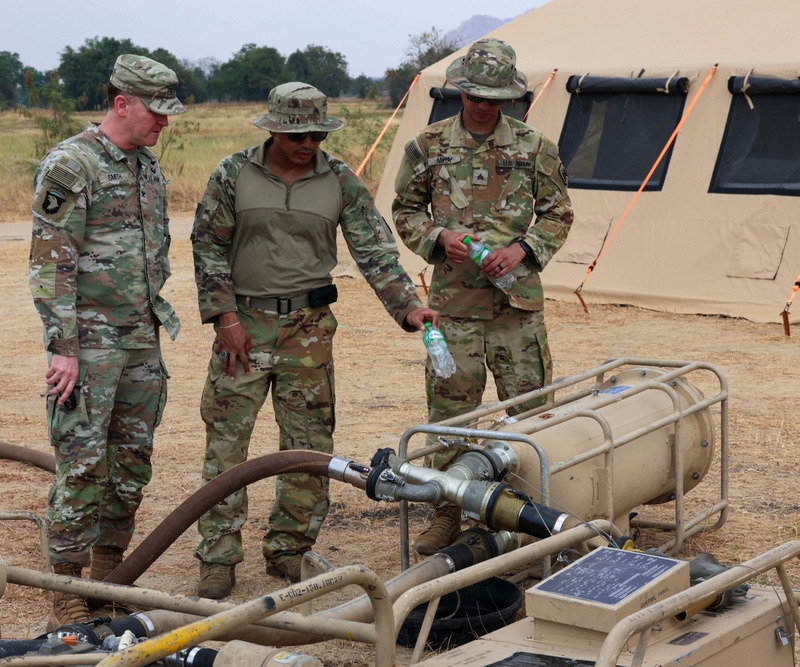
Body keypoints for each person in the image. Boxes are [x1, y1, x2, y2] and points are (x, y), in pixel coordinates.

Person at [190, 82, 440, 599]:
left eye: (318, 134)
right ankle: (218, 557)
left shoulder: (339, 179)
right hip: (244, 326)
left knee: (308, 448)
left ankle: (289, 550)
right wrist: (225, 317)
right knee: (226, 447)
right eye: (298, 134)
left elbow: (374, 250)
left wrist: (408, 307)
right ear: (274, 130)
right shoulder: (233, 173)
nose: (309, 143)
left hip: (308, 332)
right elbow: (208, 246)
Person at [392, 38, 573, 556]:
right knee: (451, 417)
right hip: (455, 313)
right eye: (474, 95)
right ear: (460, 91)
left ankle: (533, 514)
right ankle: (447, 514)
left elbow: (558, 213)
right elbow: (404, 210)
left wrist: (522, 249)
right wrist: (439, 239)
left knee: (533, 414)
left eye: (494, 98)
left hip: (517, 311)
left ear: (508, 98)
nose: (482, 105)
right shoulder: (427, 146)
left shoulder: (535, 147)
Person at [29, 54, 184, 628]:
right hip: (89, 345)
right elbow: (50, 265)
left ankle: (108, 576)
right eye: (155, 110)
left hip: (141, 337)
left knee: (131, 460)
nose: (164, 122)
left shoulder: (147, 167)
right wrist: (63, 346)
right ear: (122, 103)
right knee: (83, 461)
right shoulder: (72, 164)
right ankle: (65, 592)